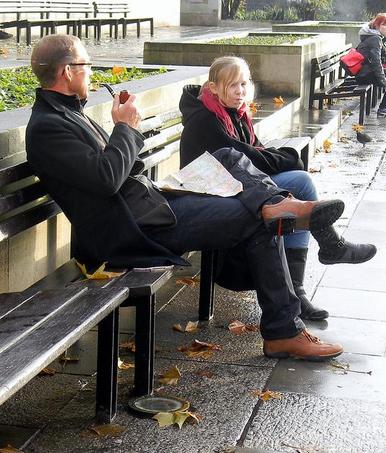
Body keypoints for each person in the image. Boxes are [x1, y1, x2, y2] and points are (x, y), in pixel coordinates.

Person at [25, 34, 348, 361]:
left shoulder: (69, 113)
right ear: (67, 72)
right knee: (261, 218)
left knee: (226, 156)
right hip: (128, 232)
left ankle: (278, 208)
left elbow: (116, 170)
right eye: (86, 65)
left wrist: (126, 130)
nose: (91, 72)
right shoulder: (48, 126)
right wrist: (125, 129)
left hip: (148, 207)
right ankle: (284, 330)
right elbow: (107, 179)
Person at [179, 56, 377, 322]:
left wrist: (285, 157)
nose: (241, 91)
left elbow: (255, 153)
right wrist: (290, 156)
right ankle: (322, 258)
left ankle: (306, 280)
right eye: (233, 85)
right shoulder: (206, 120)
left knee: (296, 186)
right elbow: (249, 158)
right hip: (212, 197)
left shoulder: (232, 113)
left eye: (244, 84)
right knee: (300, 183)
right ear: (213, 87)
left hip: (235, 185)